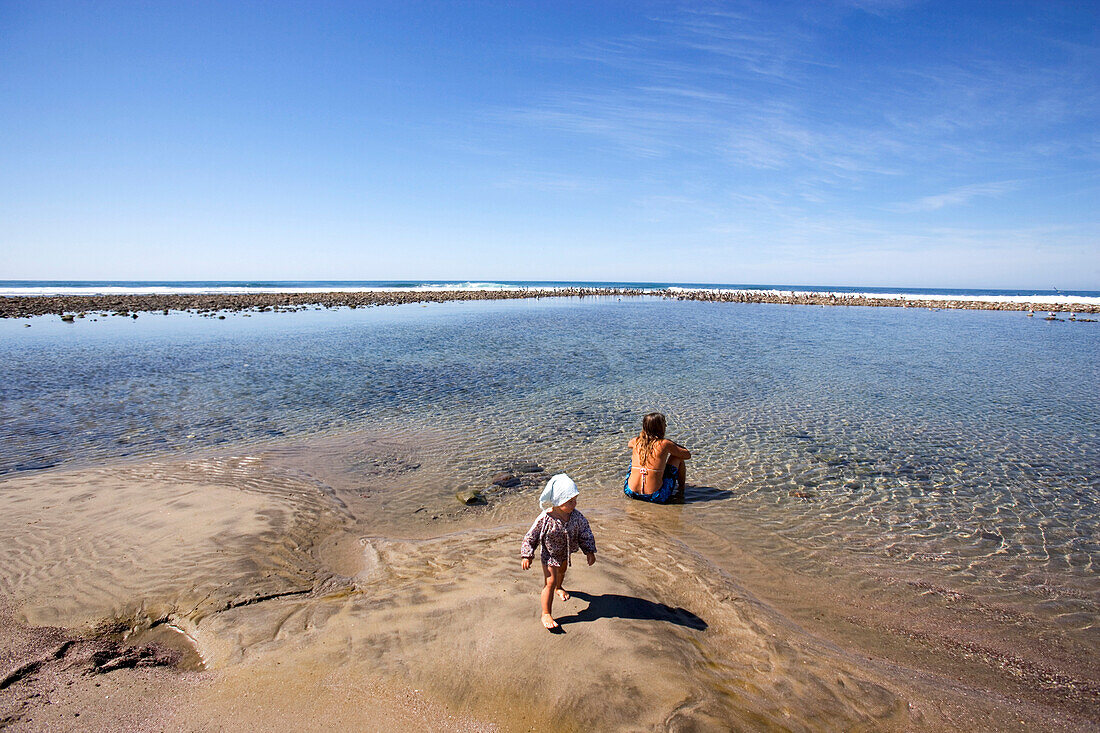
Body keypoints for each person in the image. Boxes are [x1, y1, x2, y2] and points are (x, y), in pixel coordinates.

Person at [520, 473, 597, 630]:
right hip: (549, 555)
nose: (574, 504)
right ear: (558, 501)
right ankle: (546, 613)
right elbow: (531, 536)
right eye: (570, 501)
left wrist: (589, 551)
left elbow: (585, 533)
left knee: (561, 573)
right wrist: (527, 555)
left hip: (565, 553)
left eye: (575, 499)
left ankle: (559, 588)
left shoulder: (576, 517)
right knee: (549, 581)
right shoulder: (545, 518)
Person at [624, 412, 691, 504]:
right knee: (678, 457)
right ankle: (681, 489)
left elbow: (629, 444)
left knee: (637, 456)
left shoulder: (636, 441)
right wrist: (671, 443)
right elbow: (687, 455)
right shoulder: (665, 444)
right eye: (664, 424)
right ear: (660, 427)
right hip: (656, 496)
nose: (666, 425)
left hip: (630, 492)